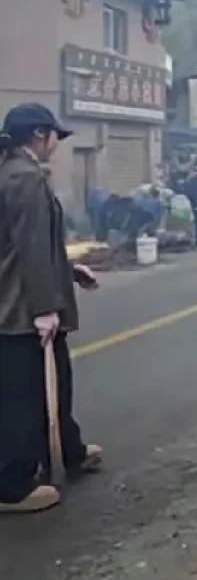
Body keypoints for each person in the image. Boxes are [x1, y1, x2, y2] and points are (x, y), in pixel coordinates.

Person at [0, 103, 101, 514]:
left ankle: (68, 451)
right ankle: (12, 484)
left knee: (54, 383)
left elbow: (28, 242)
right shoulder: (25, 178)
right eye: (55, 136)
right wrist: (44, 306)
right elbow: (28, 248)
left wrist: (68, 270)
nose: (56, 145)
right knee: (23, 395)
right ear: (40, 135)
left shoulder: (11, 173)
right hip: (20, 308)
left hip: (22, 299)